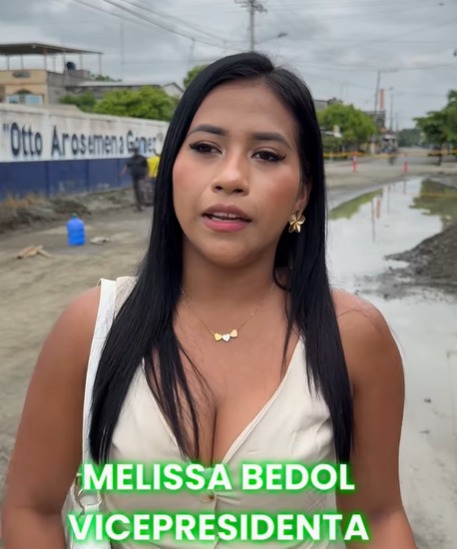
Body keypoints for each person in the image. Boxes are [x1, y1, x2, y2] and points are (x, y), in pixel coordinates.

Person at [1, 52, 416, 548]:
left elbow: (379, 517)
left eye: (267, 155)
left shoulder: (354, 336)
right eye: (205, 147)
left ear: (302, 193)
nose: (231, 176)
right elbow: (32, 509)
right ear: (171, 168)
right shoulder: (92, 328)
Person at [123, 147, 148, 211]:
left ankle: (142, 204)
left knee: (141, 190)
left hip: (141, 177)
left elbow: (146, 167)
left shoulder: (142, 159)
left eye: (135, 151)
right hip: (134, 177)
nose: (134, 153)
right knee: (136, 192)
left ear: (137, 152)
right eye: (133, 152)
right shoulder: (131, 159)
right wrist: (122, 173)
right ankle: (138, 206)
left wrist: (146, 176)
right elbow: (126, 166)